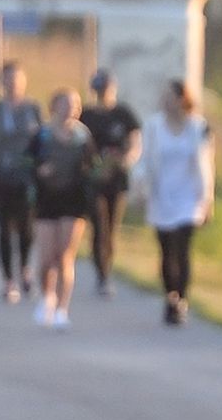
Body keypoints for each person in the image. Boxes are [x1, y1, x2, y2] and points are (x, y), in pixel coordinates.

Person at [141, 78, 215, 325]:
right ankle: (169, 295)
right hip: (162, 195)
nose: (167, 101)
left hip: (189, 197)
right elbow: (145, 159)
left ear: (182, 99)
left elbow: (206, 164)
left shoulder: (197, 127)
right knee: (166, 250)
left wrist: (207, 199)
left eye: (171, 97)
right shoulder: (154, 126)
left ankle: (181, 299)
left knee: (182, 249)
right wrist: (140, 184)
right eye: (164, 97)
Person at [29, 88, 97, 331]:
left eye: (75, 104)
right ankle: (47, 295)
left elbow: (92, 167)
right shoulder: (42, 135)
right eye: (66, 104)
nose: (71, 108)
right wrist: (39, 171)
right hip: (47, 199)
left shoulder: (83, 136)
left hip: (73, 200)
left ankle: (62, 309)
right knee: (47, 257)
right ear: (54, 107)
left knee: (65, 255)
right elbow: (28, 162)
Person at [0, 62, 43, 303]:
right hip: (0, 177)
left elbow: (41, 143)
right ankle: (8, 280)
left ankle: (25, 268)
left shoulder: (33, 109)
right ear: (1, 82)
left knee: (27, 228)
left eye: (17, 79)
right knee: (4, 229)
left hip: (25, 178)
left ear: (24, 82)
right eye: (8, 79)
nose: (13, 83)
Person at [81, 69, 142, 298]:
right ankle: (102, 273)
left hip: (117, 178)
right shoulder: (86, 115)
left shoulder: (123, 113)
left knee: (112, 228)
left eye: (106, 89)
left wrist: (127, 159)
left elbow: (135, 141)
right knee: (99, 225)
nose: (103, 93)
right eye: (99, 90)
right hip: (94, 178)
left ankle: (107, 268)